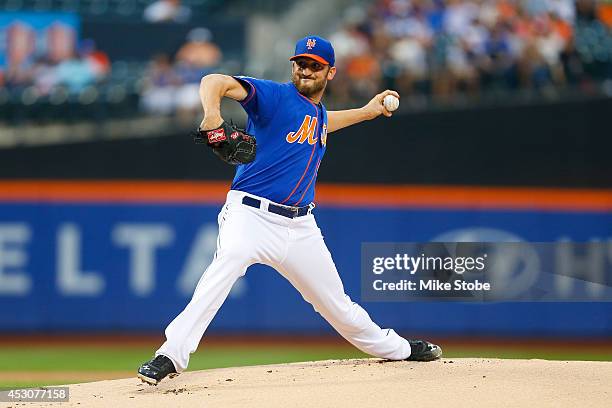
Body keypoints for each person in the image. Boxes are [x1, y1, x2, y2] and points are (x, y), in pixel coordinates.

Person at [137, 35, 442, 385]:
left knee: (337, 305)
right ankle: (170, 355)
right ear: (293, 66)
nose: (306, 69)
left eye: (315, 65)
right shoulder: (274, 96)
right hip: (250, 216)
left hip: (301, 227)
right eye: (301, 63)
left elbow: (323, 122)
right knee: (225, 267)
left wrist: (368, 112)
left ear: (330, 73)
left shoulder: (316, 114)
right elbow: (213, 81)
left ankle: (399, 349)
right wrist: (211, 117)